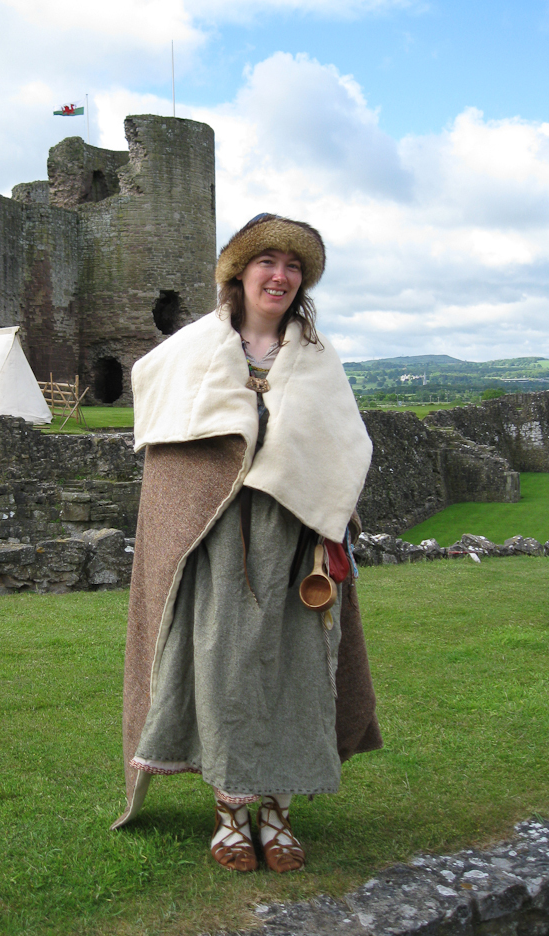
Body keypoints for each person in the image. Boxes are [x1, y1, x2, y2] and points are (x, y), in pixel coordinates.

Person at [111, 213, 381, 873]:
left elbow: (345, 449)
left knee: (296, 672)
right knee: (224, 671)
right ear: (239, 273)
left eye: (294, 268)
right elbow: (171, 452)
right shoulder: (190, 354)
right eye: (268, 263)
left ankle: (279, 814)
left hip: (293, 549)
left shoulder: (315, 359)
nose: (281, 276)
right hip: (217, 546)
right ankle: (232, 814)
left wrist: (326, 522)